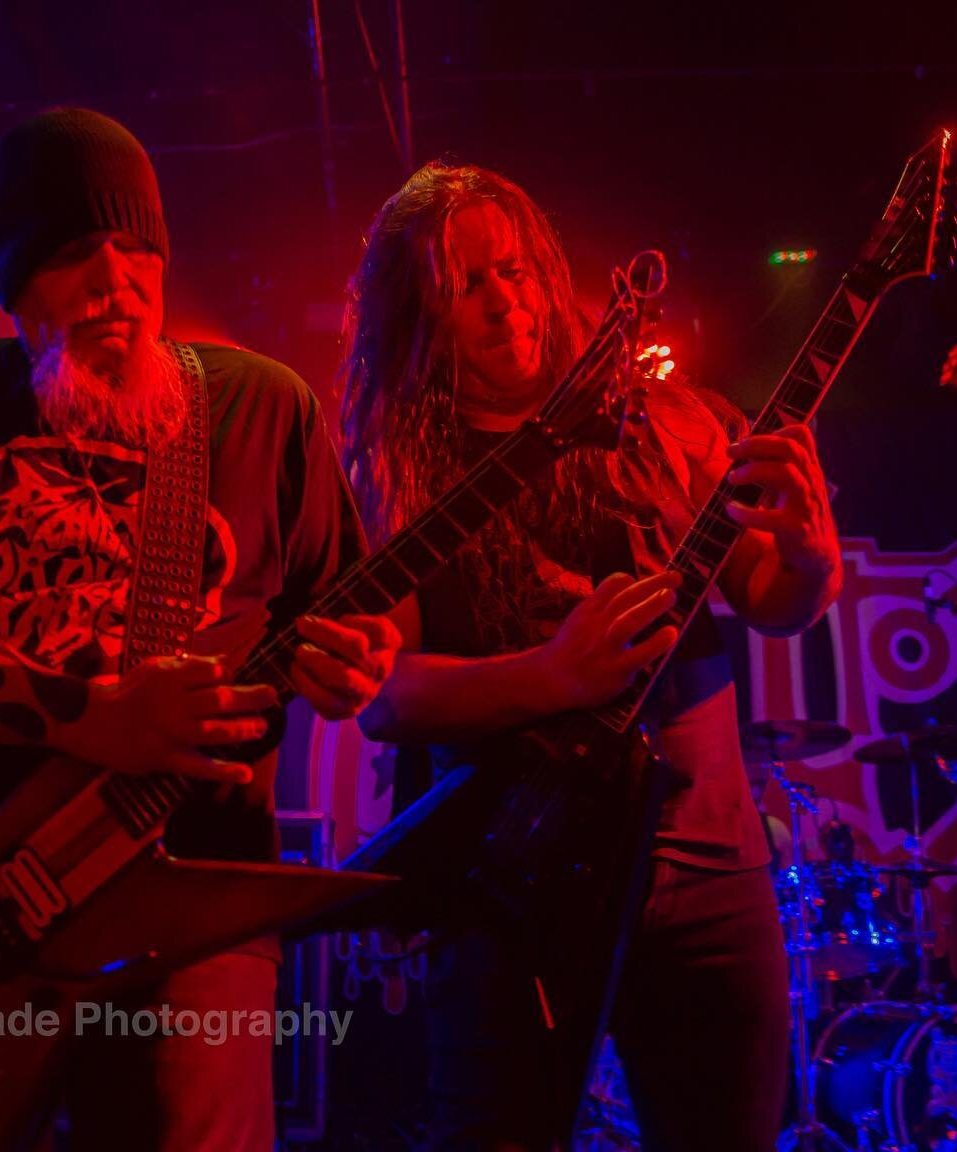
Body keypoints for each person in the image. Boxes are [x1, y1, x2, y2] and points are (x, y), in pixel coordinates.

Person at [0, 107, 400, 1151]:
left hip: (196, 900)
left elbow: (346, 620)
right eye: (73, 253)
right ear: (12, 281)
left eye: (137, 249)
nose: (113, 281)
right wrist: (89, 716)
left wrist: (354, 667)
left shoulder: (263, 410)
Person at [340, 162, 843, 1150]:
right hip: (509, 884)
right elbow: (385, 695)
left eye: (518, 270)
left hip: (709, 867)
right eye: (466, 282)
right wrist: (552, 678)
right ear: (417, 309)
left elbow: (770, 601)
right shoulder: (389, 461)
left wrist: (815, 559)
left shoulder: (675, 419)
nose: (506, 301)